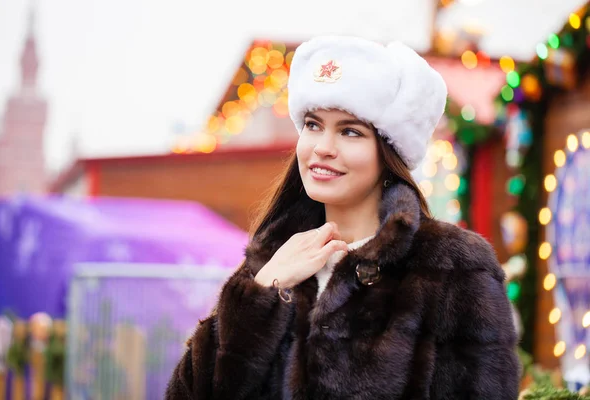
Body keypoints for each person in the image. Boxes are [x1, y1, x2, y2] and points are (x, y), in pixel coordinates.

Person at [166, 35, 521, 399]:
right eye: (313, 124)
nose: (323, 148)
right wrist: (262, 291)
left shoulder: (451, 266)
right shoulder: (272, 259)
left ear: (389, 151)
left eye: (350, 131)